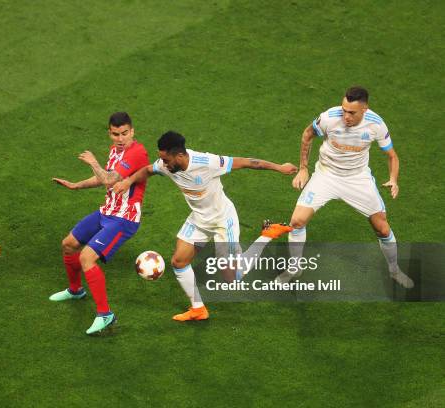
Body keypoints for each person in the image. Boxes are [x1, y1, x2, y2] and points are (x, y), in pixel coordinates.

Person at [113, 131, 297, 321]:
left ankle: (268, 234)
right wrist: (128, 181)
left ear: (180, 156)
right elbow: (148, 170)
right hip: (199, 219)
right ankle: (198, 309)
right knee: (179, 261)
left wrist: (280, 167)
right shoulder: (166, 165)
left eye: (166, 160)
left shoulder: (207, 162)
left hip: (223, 221)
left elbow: (249, 162)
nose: (164, 164)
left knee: (232, 278)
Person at [276, 86, 413, 288]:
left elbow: (392, 155)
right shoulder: (329, 118)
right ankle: (295, 267)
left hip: (357, 179)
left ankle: (394, 270)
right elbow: (307, 134)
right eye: (344, 110)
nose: (346, 116)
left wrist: (393, 179)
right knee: (296, 221)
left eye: (351, 112)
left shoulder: (376, 125)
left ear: (364, 109)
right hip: (326, 175)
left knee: (383, 229)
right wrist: (303, 169)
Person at [50, 112, 149, 335]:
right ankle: (76, 291)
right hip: (107, 211)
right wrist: (76, 185)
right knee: (68, 244)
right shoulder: (115, 150)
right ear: (110, 133)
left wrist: (93, 162)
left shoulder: (137, 152)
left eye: (125, 133)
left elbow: (108, 179)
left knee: (87, 258)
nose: (121, 138)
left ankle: (105, 315)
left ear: (132, 131)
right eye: (116, 134)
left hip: (124, 218)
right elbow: (103, 177)